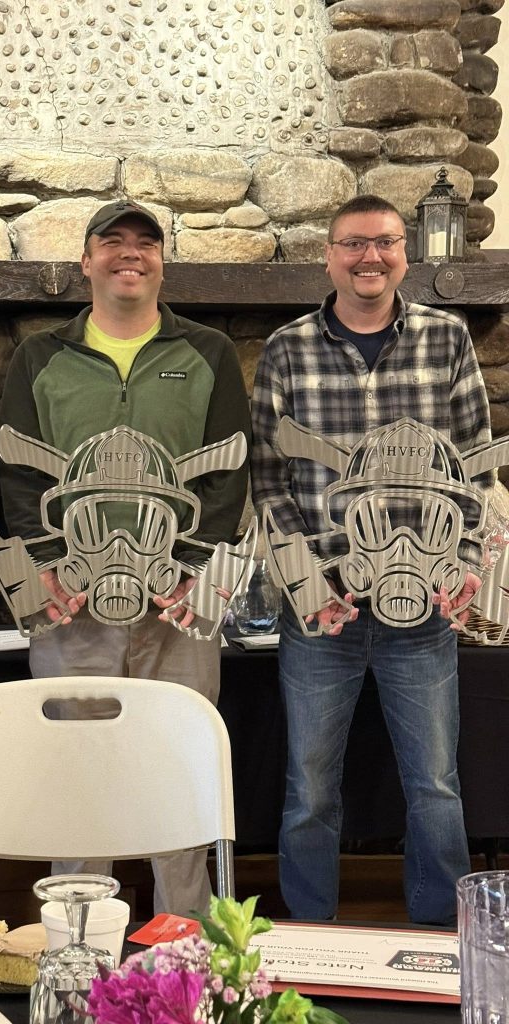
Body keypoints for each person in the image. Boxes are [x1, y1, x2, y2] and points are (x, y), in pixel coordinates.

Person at [0, 199, 250, 916]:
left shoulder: (208, 352)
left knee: (182, 773)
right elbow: (16, 476)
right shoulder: (40, 357)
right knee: (82, 781)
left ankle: (190, 955)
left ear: (163, 262)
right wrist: (44, 564)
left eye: (145, 243)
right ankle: (81, 952)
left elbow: (231, 475)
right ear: (86, 260)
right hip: (71, 609)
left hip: (178, 607)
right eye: (112, 242)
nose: (129, 254)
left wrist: (199, 572)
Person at [251, 194, 491, 926]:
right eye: (353, 244)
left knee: (436, 784)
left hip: (426, 608)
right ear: (329, 256)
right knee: (311, 786)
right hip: (319, 609)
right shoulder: (286, 348)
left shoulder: (447, 341)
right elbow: (269, 477)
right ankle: (305, 938)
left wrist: (469, 562)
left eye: (384, 243)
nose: (370, 258)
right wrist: (307, 580)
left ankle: (440, 936)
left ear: (405, 254)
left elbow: (477, 471)